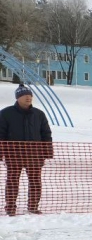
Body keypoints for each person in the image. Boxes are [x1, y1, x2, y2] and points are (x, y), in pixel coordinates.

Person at [0, 84, 52, 215]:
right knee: (12, 181)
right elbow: (1, 134)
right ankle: (10, 207)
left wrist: (47, 152)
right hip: (14, 154)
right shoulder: (6, 113)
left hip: (35, 154)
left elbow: (46, 134)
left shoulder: (39, 114)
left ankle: (33, 206)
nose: (28, 98)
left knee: (35, 181)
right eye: (24, 95)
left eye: (30, 95)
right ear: (18, 98)